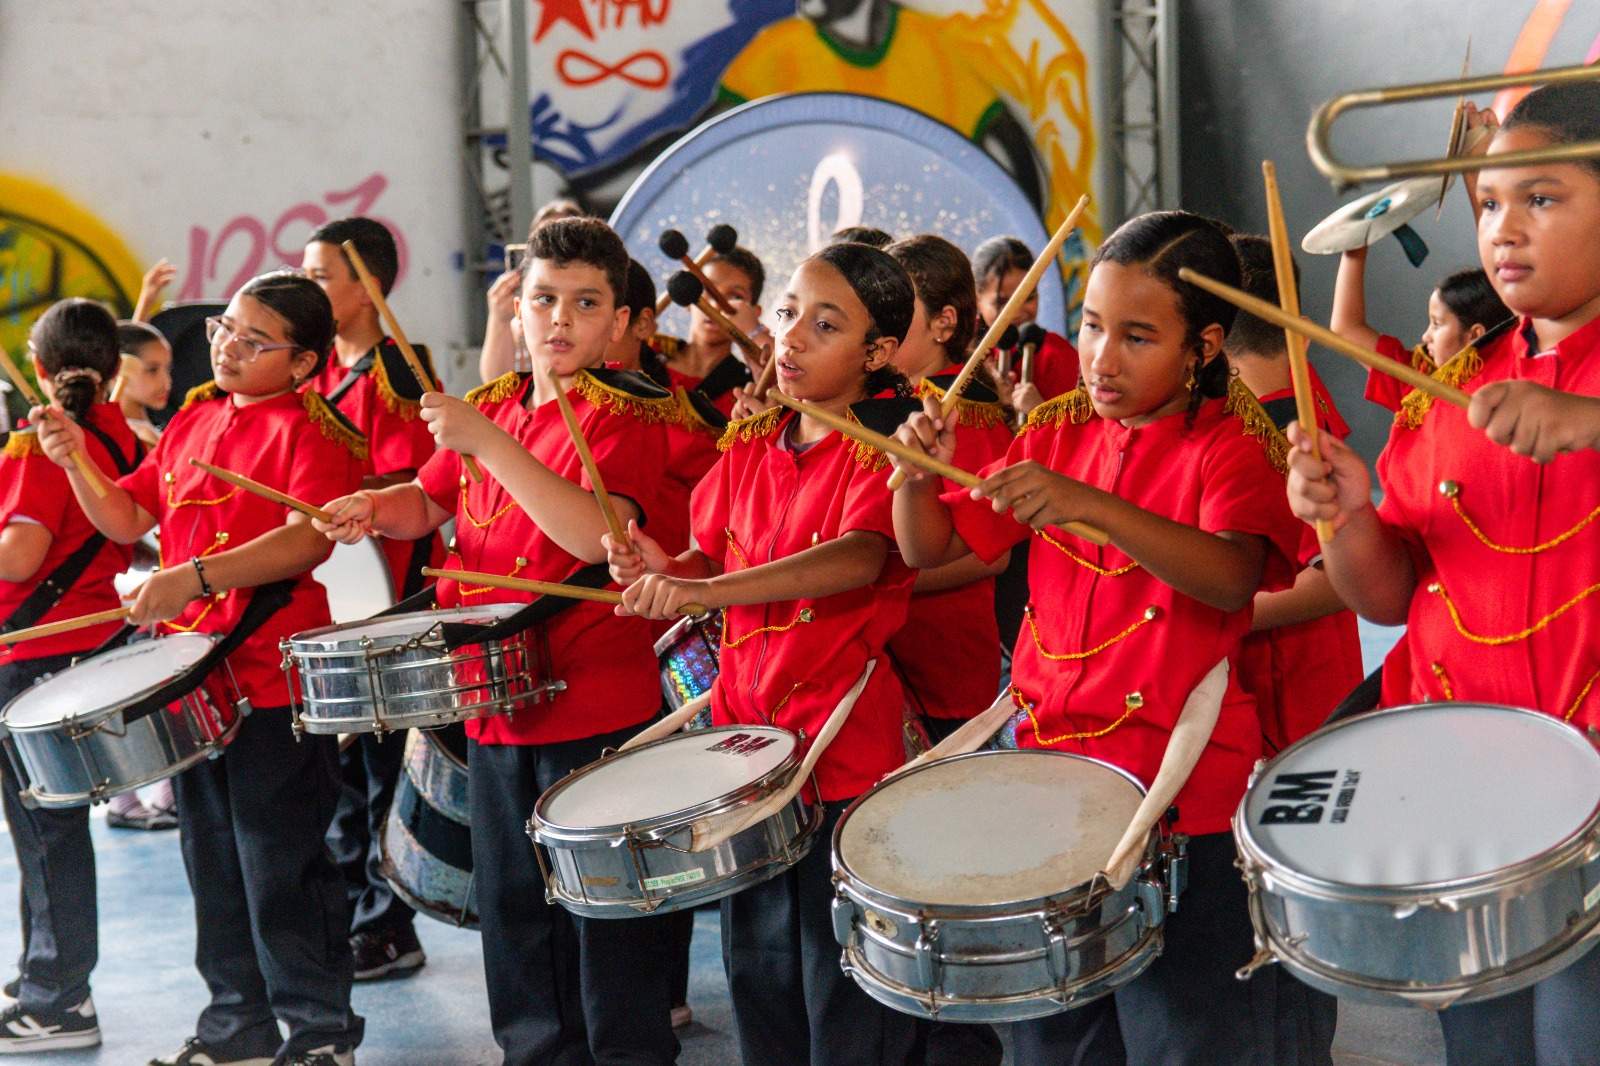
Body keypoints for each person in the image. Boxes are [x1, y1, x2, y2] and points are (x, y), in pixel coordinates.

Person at [892, 211, 1314, 1066]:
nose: (1101, 358)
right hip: (1051, 777)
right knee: (1053, 1039)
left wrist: (1092, 506)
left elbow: (1232, 579)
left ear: (1203, 346)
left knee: (1183, 1036)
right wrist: (912, 476)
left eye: (1137, 336)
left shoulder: (1234, 444)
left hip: (1180, 794)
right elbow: (928, 546)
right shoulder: (1054, 429)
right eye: (1090, 326)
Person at [314, 218, 680, 1066]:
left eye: (585, 304)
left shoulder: (625, 413)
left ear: (620, 324)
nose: (558, 319)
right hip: (490, 696)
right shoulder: (494, 407)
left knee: (602, 913)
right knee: (514, 909)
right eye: (541, 299)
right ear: (515, 311)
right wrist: (375, 508)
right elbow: (430, 500)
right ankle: (535, 1053)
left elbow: (597, 536)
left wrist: (491, 444)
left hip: (589, 701)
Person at [1286, 80, 1600, 1066]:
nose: (1504, 229)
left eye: (1540, 199)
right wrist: (1343, 516)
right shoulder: (1450, 391)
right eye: (1490, 203)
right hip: (1473, 808)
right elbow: (1386, 593)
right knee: (1487, 1048)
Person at [607, 241, 927, 1066]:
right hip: (746, 752)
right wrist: (654, 568)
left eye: (825, 325)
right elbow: (702, 561)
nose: (789, 337)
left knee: (840, 982)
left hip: (842, 750)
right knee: (758, 971)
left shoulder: (886, 450)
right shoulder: (750, 445)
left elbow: (860, 557)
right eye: (787, 315)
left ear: (878, 352)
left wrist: (705, 593)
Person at [37, 271, 367, 1066]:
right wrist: (76, 460)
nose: (228, 347)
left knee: (279, 863)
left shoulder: (311, 429)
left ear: (301, 364)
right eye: (227, 328)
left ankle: (320, 1034)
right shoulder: (195, 419)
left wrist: (195, 578)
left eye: (256, 341)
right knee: (212, 860)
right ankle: (237, 1027)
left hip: (269, 674)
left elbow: (310, 539)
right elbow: (128, 513)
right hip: (194, 679)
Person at [300, 217, 441, 981]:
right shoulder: (316, 371)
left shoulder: (402, 371)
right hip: (336, 591)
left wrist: (351, 494)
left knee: (387, 762)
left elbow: (424, 480)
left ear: (368, 287)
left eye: (323, 275)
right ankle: (354, 904)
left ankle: (390, 921)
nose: (310, 287)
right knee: (342, 764)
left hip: (395, 592)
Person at [882, 234, 1010, 1066]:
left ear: (949, 322)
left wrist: (875, 589)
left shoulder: (978, 417)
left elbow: (990, 552)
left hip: (952, 663)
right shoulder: (885, 400)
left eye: (897, 316)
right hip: (887, 666)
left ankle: (959, 1039)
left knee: (947, 865)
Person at [0, 298, 141, 1053]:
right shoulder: (117, 433)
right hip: (88, 642)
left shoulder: (40, 442)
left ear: (41, 368)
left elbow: (20, 555)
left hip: (31, 650)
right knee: (51, 826)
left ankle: (58, 997)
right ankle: (42, 976)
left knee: (44, 831)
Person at [1224, 234, 1363, 753]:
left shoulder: (1286, 430)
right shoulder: (1296, 381)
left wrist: (1214, 607)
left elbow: (1331, 582)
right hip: (1293, 685)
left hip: (1294, 692)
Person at [1330, 249, 1510, 413]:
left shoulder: (1509, 391)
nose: (1425, 336)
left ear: (1474, 335)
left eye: (1437, 324)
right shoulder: (1419, 379)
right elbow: (1347, 328)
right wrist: (1354, 252)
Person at [478, 199, 588, 383]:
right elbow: (495, 383)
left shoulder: (596, 309)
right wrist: (499, 319)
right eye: (545, 242)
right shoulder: (518, 315)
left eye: (565, 241)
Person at [973, 235, 1079, 414]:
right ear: (977, 299)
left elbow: (1077, 435)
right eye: (1002, 302)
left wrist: (1039, 411)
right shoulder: (959, 349)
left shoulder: (1056, 356)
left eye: (1028, 297)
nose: (1016, 311)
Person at [114, 320, 173, 447]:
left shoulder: (150, 432)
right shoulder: (129, 438)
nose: (166, 382)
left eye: (168, 369)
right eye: (152, 370)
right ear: (119, 369)